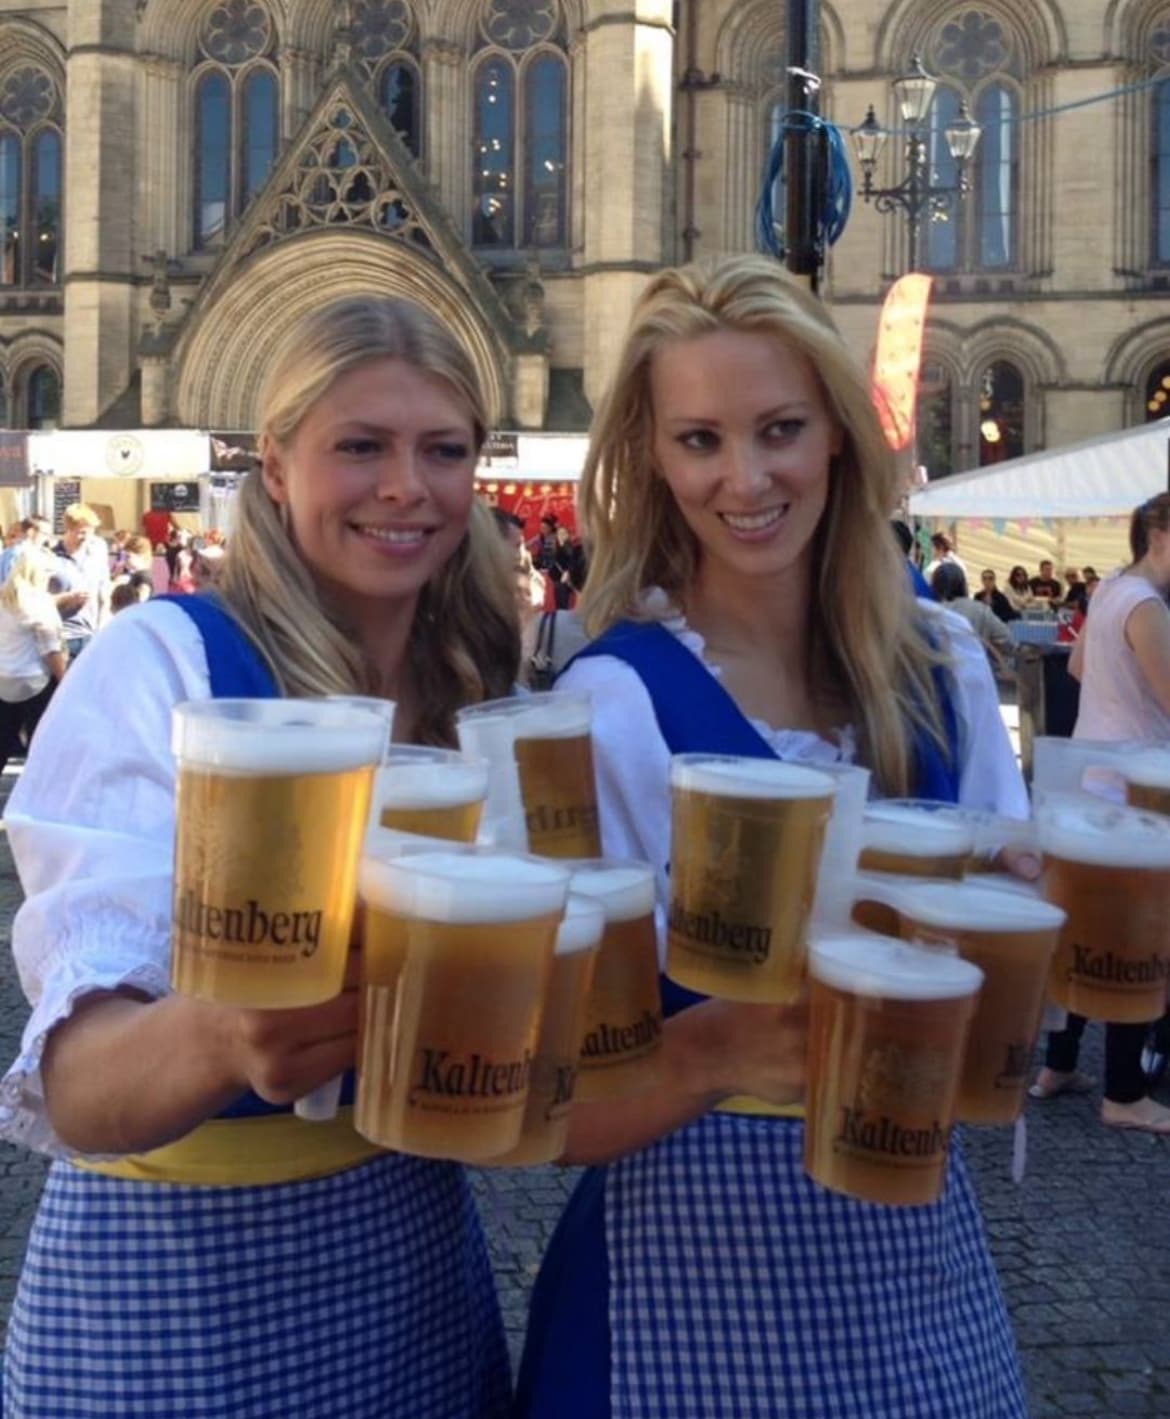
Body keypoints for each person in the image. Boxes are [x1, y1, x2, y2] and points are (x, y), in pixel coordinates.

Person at [515, 256, 1029, 1418]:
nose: (744, 479)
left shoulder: (938, 665)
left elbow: (1005, 986)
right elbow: (553, 1100)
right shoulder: (614, 701)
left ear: (839, 434)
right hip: (678, 1265)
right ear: (653, 456)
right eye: (700, 440)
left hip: (914, 1262)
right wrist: (722, 1050)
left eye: (780, 430)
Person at [0, 295, 519, 1416]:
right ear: (275, 465)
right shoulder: (164, 663)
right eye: (360, 446)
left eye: (443, 450)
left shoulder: (478, 693)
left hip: (410, 1265)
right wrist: (226, 1033)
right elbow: (79, 1085)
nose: (407, 487)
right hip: (171, 1287)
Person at [1031, 493, 1170, 1135]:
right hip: (1137, 791)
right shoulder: (1147, 606)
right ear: (1161, 536)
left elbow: (1080, 667)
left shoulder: (1111, 589)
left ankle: (1058, 1066)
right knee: (1138, 942)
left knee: (1086, 934)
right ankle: (1124, 1092)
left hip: (1092, 781)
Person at [0, 547, 67, 774]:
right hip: (35, 681)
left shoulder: (4, 597)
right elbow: (51, 650)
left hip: (4, 677)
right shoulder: (39, 603)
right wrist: (64, 679)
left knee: (3, 739)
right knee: (39, 743)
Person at [49, 502, 110, 658]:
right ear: (68, 529)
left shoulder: (97, 552)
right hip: (62, 634)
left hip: (90, 632)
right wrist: (66, 598)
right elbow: (38, 600)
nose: (87, 538)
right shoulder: (51, 557)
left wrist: (101, 627)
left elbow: (104, 591)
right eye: (81, 533)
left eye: (91, 532)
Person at [932, 562, 1016, 676]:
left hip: (939, 676)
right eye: (985, 578)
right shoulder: (979, 609)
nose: (987, 581)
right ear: (963, 585)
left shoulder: (928, 611)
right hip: (975, 674)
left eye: (990, 578)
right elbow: (1008, 640)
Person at [0, 516, 51, 585]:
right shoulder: (20, 554)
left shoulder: (10, 552)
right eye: (45, 534)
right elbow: (15, 585)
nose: (47, 539)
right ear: (31, 532)